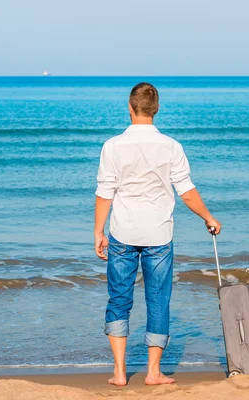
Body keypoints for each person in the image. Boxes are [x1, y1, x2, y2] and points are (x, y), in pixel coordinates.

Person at [94, 82, 221, 386]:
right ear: (157, 108)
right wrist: (208, 217)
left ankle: (120, 372)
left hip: (122, 232)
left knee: (119, 299)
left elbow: (105, 192)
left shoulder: (112, 146)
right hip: (159, 236)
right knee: (158, 301)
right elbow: (186, 192)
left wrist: (98, 231)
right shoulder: (171, 146)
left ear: (130, 106)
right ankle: (153, 373)